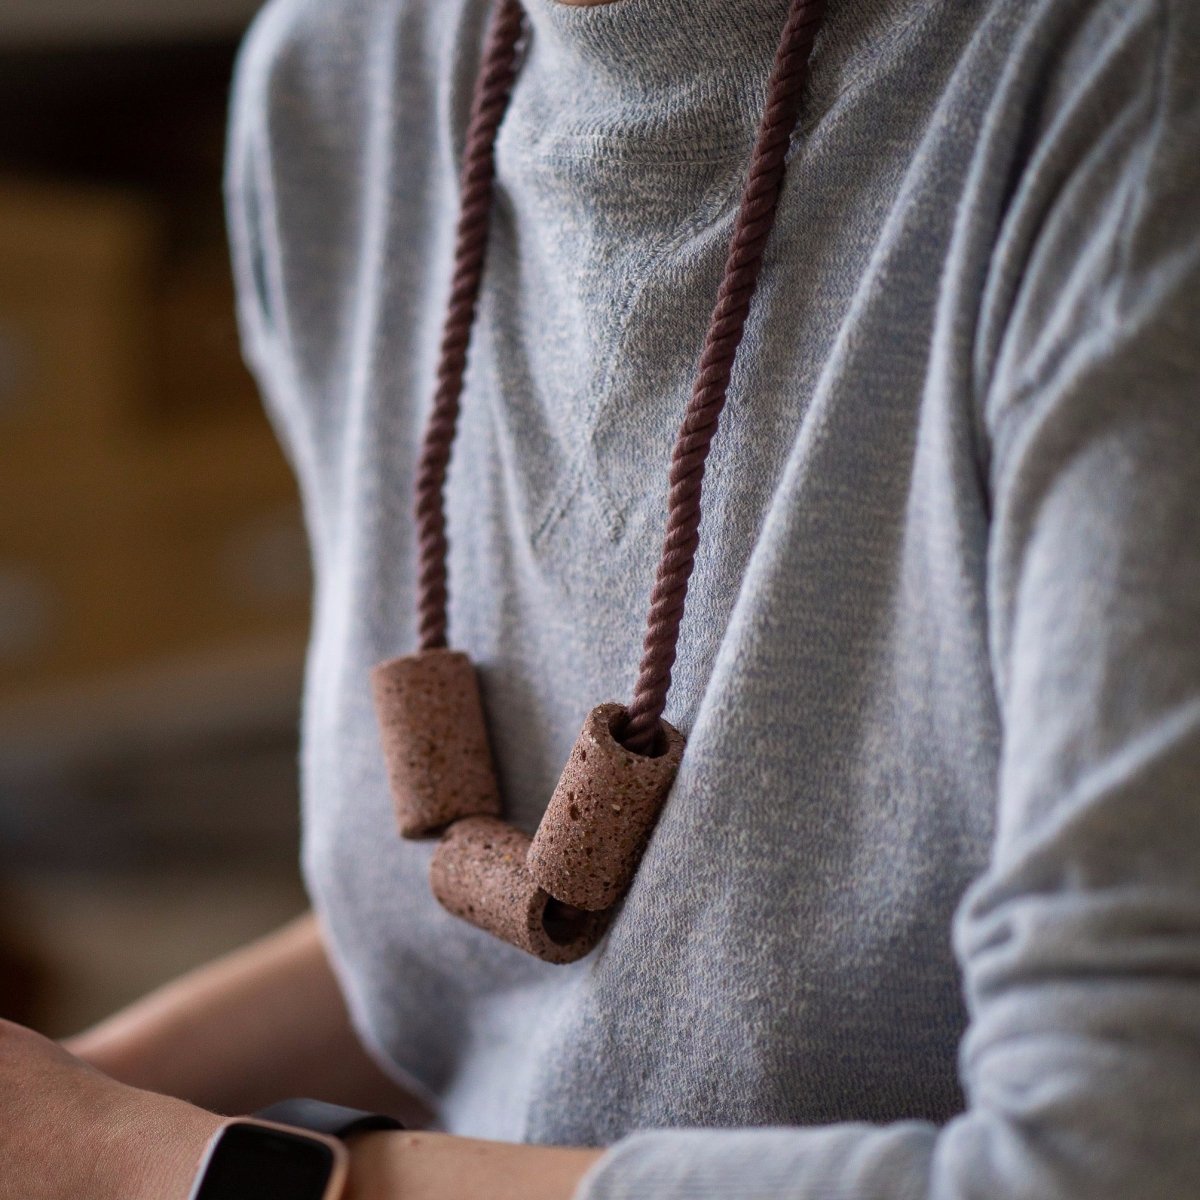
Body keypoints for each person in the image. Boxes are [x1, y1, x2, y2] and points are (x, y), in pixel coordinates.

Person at [3, 0, 1199, 1196]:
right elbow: (531, 970)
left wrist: (156, 1168)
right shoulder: (341, 75)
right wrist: (69, 1106)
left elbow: (1107, 1165)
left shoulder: (1126, 97)